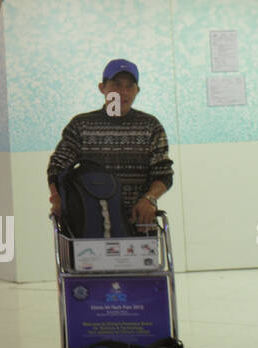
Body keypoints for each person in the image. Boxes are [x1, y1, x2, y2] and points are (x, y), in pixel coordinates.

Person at [47, 59, 174, 229]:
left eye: (130, 86)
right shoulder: (81, 125)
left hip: (137, 227)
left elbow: (163, 173)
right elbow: (57, 167)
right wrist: (57, 200)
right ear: (102, 88)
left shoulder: (150, 126)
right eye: (117, 84)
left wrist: (149, 199)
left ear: (137, 91)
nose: (123, 92)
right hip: (88, 226)